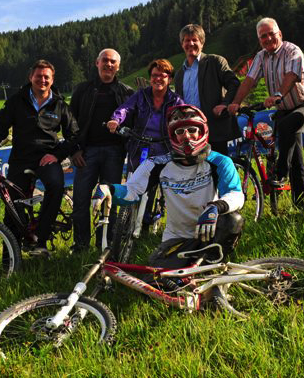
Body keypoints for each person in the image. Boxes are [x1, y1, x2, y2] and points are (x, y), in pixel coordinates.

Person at [93, 105, 244, 269]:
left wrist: (215, 207)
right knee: (159, 282)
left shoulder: (220, 161)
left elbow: (235, 194)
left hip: (209, 232)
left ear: (202, 132)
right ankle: (195, 265)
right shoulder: (156, 163)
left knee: (232, 220)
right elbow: (132, 191)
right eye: (180, 132)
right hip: (177, 239)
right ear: (173, 136)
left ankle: (213, 263)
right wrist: (110, 189)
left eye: (192, 130)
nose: (187, 136)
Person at [0, 60, 79, 256]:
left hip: (47, 158)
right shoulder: (16, 101)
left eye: (46, 77)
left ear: (52, 80)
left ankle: (41, 239)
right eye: (38, 76)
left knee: (55, 186)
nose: (42, 80)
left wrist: (56, 155)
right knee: (12, 206)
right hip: (21, 159)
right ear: (31, 77)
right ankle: (10, 258)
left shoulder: (59, 104)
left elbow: (74, 135)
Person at [227, 18, 304, 212]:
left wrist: (278, 94)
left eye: (270, 34)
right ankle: (301, 210)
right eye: (262, 36)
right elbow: (249, 80)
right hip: (282, 110)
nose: (267, 38)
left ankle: (280, 173)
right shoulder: (261, 56)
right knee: (296, 161)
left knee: (286, 126)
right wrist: (235, 103)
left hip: (302, 105)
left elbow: (291, 76)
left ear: (279, 34)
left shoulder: (292, 51)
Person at [69, 49, 133, 252]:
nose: (109, 64)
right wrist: (75, 150)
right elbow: (70, 123)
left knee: (110, 201)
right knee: (80, 200)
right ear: (97, 63)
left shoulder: (126, 92)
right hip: (86, 153)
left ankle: (105, 244)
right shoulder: (82, 90)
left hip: (114, 152)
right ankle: (81, 245)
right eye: (105, 60)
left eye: (113, 61)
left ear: (118, 66)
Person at [174, 24, 241, 156]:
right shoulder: (179, 74)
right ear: (182, 44)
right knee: (196, 173)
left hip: (214, 129)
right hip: (191, 134)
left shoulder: (215, 62)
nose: (191, 43)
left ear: (202, 43)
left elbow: (234, 84)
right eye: (187, 40)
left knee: (219, 171)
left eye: (195, 40)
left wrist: (225, 104)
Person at [107, 59, 184, 172]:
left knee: (168, 185)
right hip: (140, 148)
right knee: (136, 185)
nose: (157, 79)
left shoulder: (176, 100)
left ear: (170, 79)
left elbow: (184, 118)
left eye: (162, 76)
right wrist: (115, 120)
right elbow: (126, 108)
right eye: (154, 75)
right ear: (150, 78)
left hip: (166, 148)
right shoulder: (141, 95)